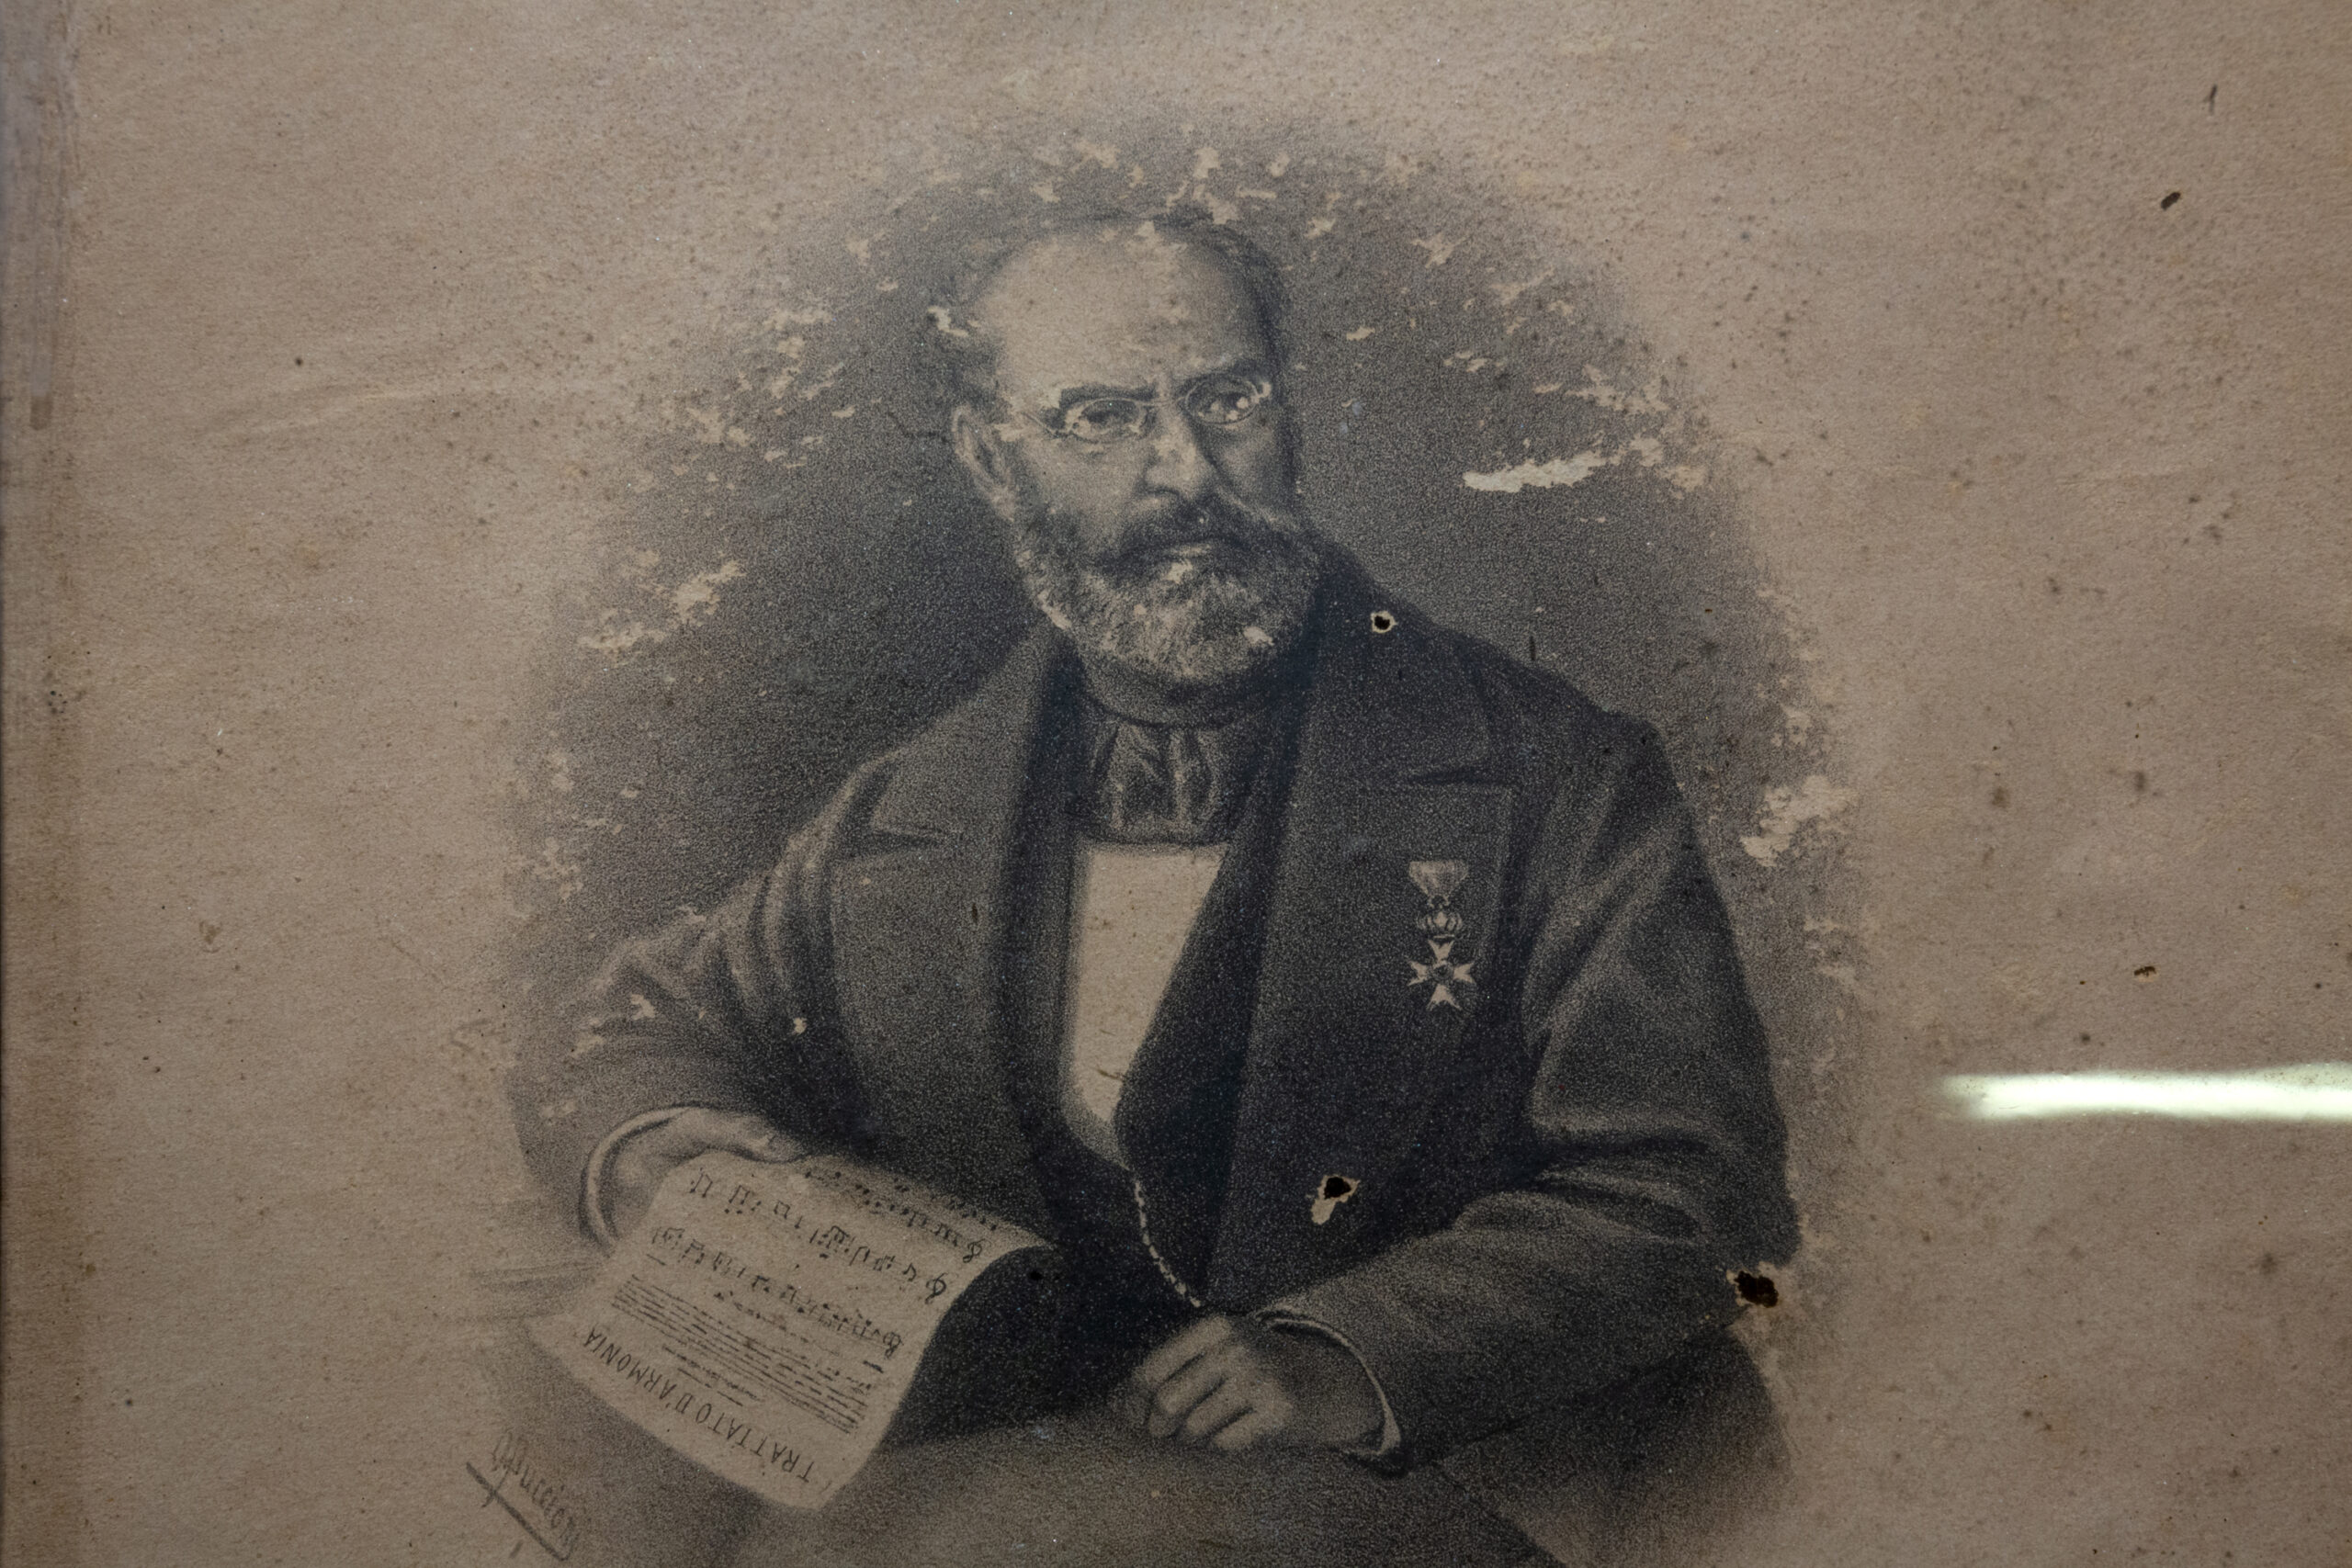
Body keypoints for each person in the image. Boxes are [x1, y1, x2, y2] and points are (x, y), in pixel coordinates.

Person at [510, 211, 1798, 1565]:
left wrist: (1350, 1354)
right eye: (1102, 419)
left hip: (1482, 1470)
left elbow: (1694, 1187)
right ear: (991, 461)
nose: (1183, 470)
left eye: (1227, 400)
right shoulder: (908, 810)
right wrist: (653, 1152)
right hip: (1049, 1458)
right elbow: (634, 1022)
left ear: (1287, 411)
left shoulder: (1555, 773)